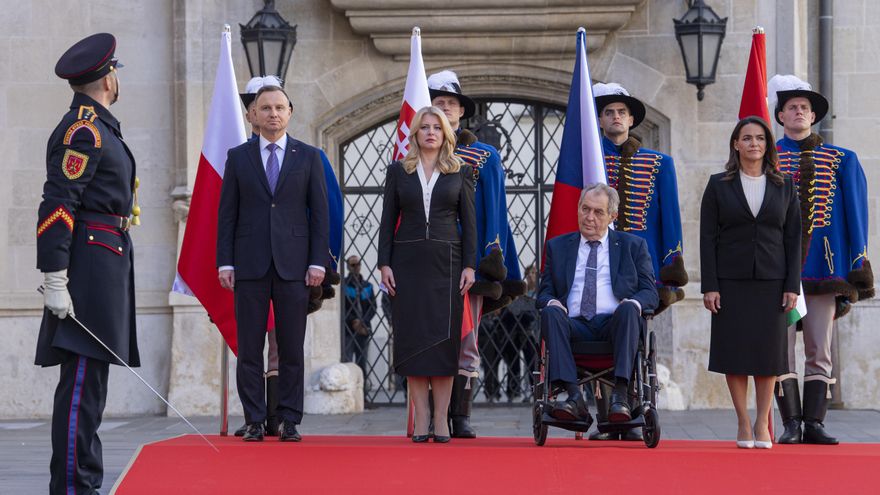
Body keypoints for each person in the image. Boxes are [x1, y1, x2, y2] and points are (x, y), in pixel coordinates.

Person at [36, 33, 139, 494]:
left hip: (103, 260)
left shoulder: (100, 126)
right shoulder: (84, 129)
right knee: (81, 386)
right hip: (88, 267)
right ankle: (75, 487)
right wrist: (55, 275)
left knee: (89, 386)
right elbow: (58, 204)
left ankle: (82, 482)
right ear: (108, 76)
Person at [230, 76, 344, 437]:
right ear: (252, 115)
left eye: (280, 108)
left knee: (292, 347)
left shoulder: (309, 157)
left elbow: (320, 214)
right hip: (249, 265)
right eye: (265, 108)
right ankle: (253, 420)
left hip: (295, 266)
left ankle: (289, 419)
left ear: (290, 113)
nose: (273, 114)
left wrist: (317, 263)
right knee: (250, 348)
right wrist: (225, 261)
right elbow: (226, 214)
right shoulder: (238, 157)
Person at [768, 75, 874, 445]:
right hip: (777, 269)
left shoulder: (842, 159)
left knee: (819, 346)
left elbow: (857, 215)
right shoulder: (765, 158)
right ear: (780, 115)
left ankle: (813, 422)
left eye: (804, 108)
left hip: (824, 267)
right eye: (791, 107)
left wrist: (857, 262)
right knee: (779, 348)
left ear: (813, 116)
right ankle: (790, 423)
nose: (798, 112)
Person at [428, 70, 525, 438]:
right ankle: (433, 416)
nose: (446, 109)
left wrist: (491, 257)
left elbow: (495, 209)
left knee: (467, 339)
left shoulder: (483, 156)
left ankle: (461, 415)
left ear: (460, 112)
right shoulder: (417, 154)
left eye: (451, 104)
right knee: (431, 337)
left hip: (468, 262)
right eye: (439, 103)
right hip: (429, 262)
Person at [591, 83, 687, 440]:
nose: (616, 118)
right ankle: (605, 418)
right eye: (609, 112)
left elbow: (670, 218)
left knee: (632, 339)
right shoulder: (587, 159)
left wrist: (671, 265)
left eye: (621, 112)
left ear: (631, 119)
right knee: (598, 339)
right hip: (597, 264)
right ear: (599, 120)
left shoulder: (659, 164)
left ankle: (630, 413)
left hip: (640, 267)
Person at [700, 116, 801, 449]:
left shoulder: (785, 185)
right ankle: (743, 422)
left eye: (759, 138)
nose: (754, 143)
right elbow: (707, 238)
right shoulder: (718, 185)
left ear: (767, 145)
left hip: (773, 281)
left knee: (768, 354)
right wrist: (709, 285)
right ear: (736, 144)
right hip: (730, 281)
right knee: (736, 352)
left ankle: (762, 424)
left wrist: (792, 284)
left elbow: (793, 238)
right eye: (747, 138)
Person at [378, 106, 476, 443]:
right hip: (407, 264)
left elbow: (470, 223)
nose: (431, 132)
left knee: (444, 343)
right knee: (413, 343)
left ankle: (441, 418)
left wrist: (470, 265)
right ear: (415, 133)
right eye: (425, 127)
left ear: (446, 133)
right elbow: (387, 221)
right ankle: (421, 419)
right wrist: (384, 263)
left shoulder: (460, 171)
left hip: (447, 264)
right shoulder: (398, 172)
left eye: (437, 127)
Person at [537, 183, 658, 425]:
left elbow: (650, 292)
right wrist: (552, 301)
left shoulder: (633, 246)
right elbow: (543, 292)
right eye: (585, 209)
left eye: (598, 212)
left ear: (613, 216)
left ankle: (621, 396)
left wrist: (633, 302)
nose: (589, 217)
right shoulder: (558, 247)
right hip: (573, 324)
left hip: (615, 324)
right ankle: (573, 396)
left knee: (628, 309)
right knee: (550, 312)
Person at [343, 255, 376, 382]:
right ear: (347, 267)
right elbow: (343, 307)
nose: (356, 267)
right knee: (347, 361)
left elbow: (373, 307)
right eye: (353, 265)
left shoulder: (368, 286)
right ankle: (349, 393)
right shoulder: (344, 286)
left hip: (363, 330)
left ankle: (363, 395)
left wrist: (363, 322)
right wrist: (353, 321)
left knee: (362, 363)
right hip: (348, 329)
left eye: (358, 264)